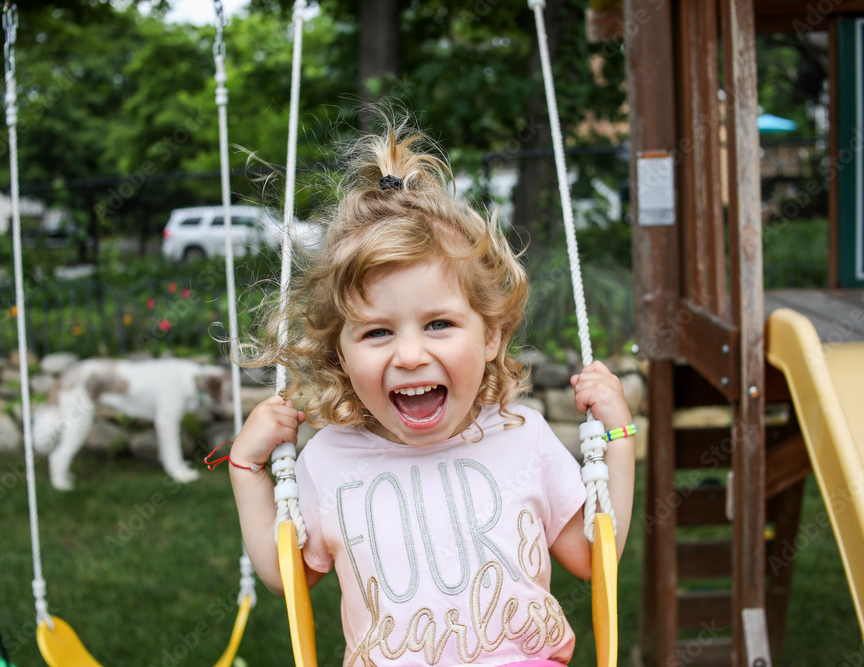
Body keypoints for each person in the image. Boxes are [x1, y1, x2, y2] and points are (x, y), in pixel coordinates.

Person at [228, 122, 635, 666]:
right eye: (377, 332)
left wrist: (620, 440)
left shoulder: (524, 437)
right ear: (340, 356)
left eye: (439, 323)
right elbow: (288, 577)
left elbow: (592, 555)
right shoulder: (329, 460)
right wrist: (246, 468)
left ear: (490, 335)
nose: (411, 355)